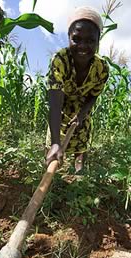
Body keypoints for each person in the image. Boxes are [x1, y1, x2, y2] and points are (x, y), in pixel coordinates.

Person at [46, 6, 109, 172]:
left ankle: (79, 171)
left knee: (81, 140)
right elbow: (54, 103)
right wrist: (55, 143)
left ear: (98, 41)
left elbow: (94, 95)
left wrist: (82, 115)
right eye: (76, 39)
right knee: (55, 144)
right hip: (61, 105)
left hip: (82, 107)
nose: (83, 46)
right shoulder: (60, 60)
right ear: (68, 37)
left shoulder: (101, 68)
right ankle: (53, 169)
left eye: (90, 41)